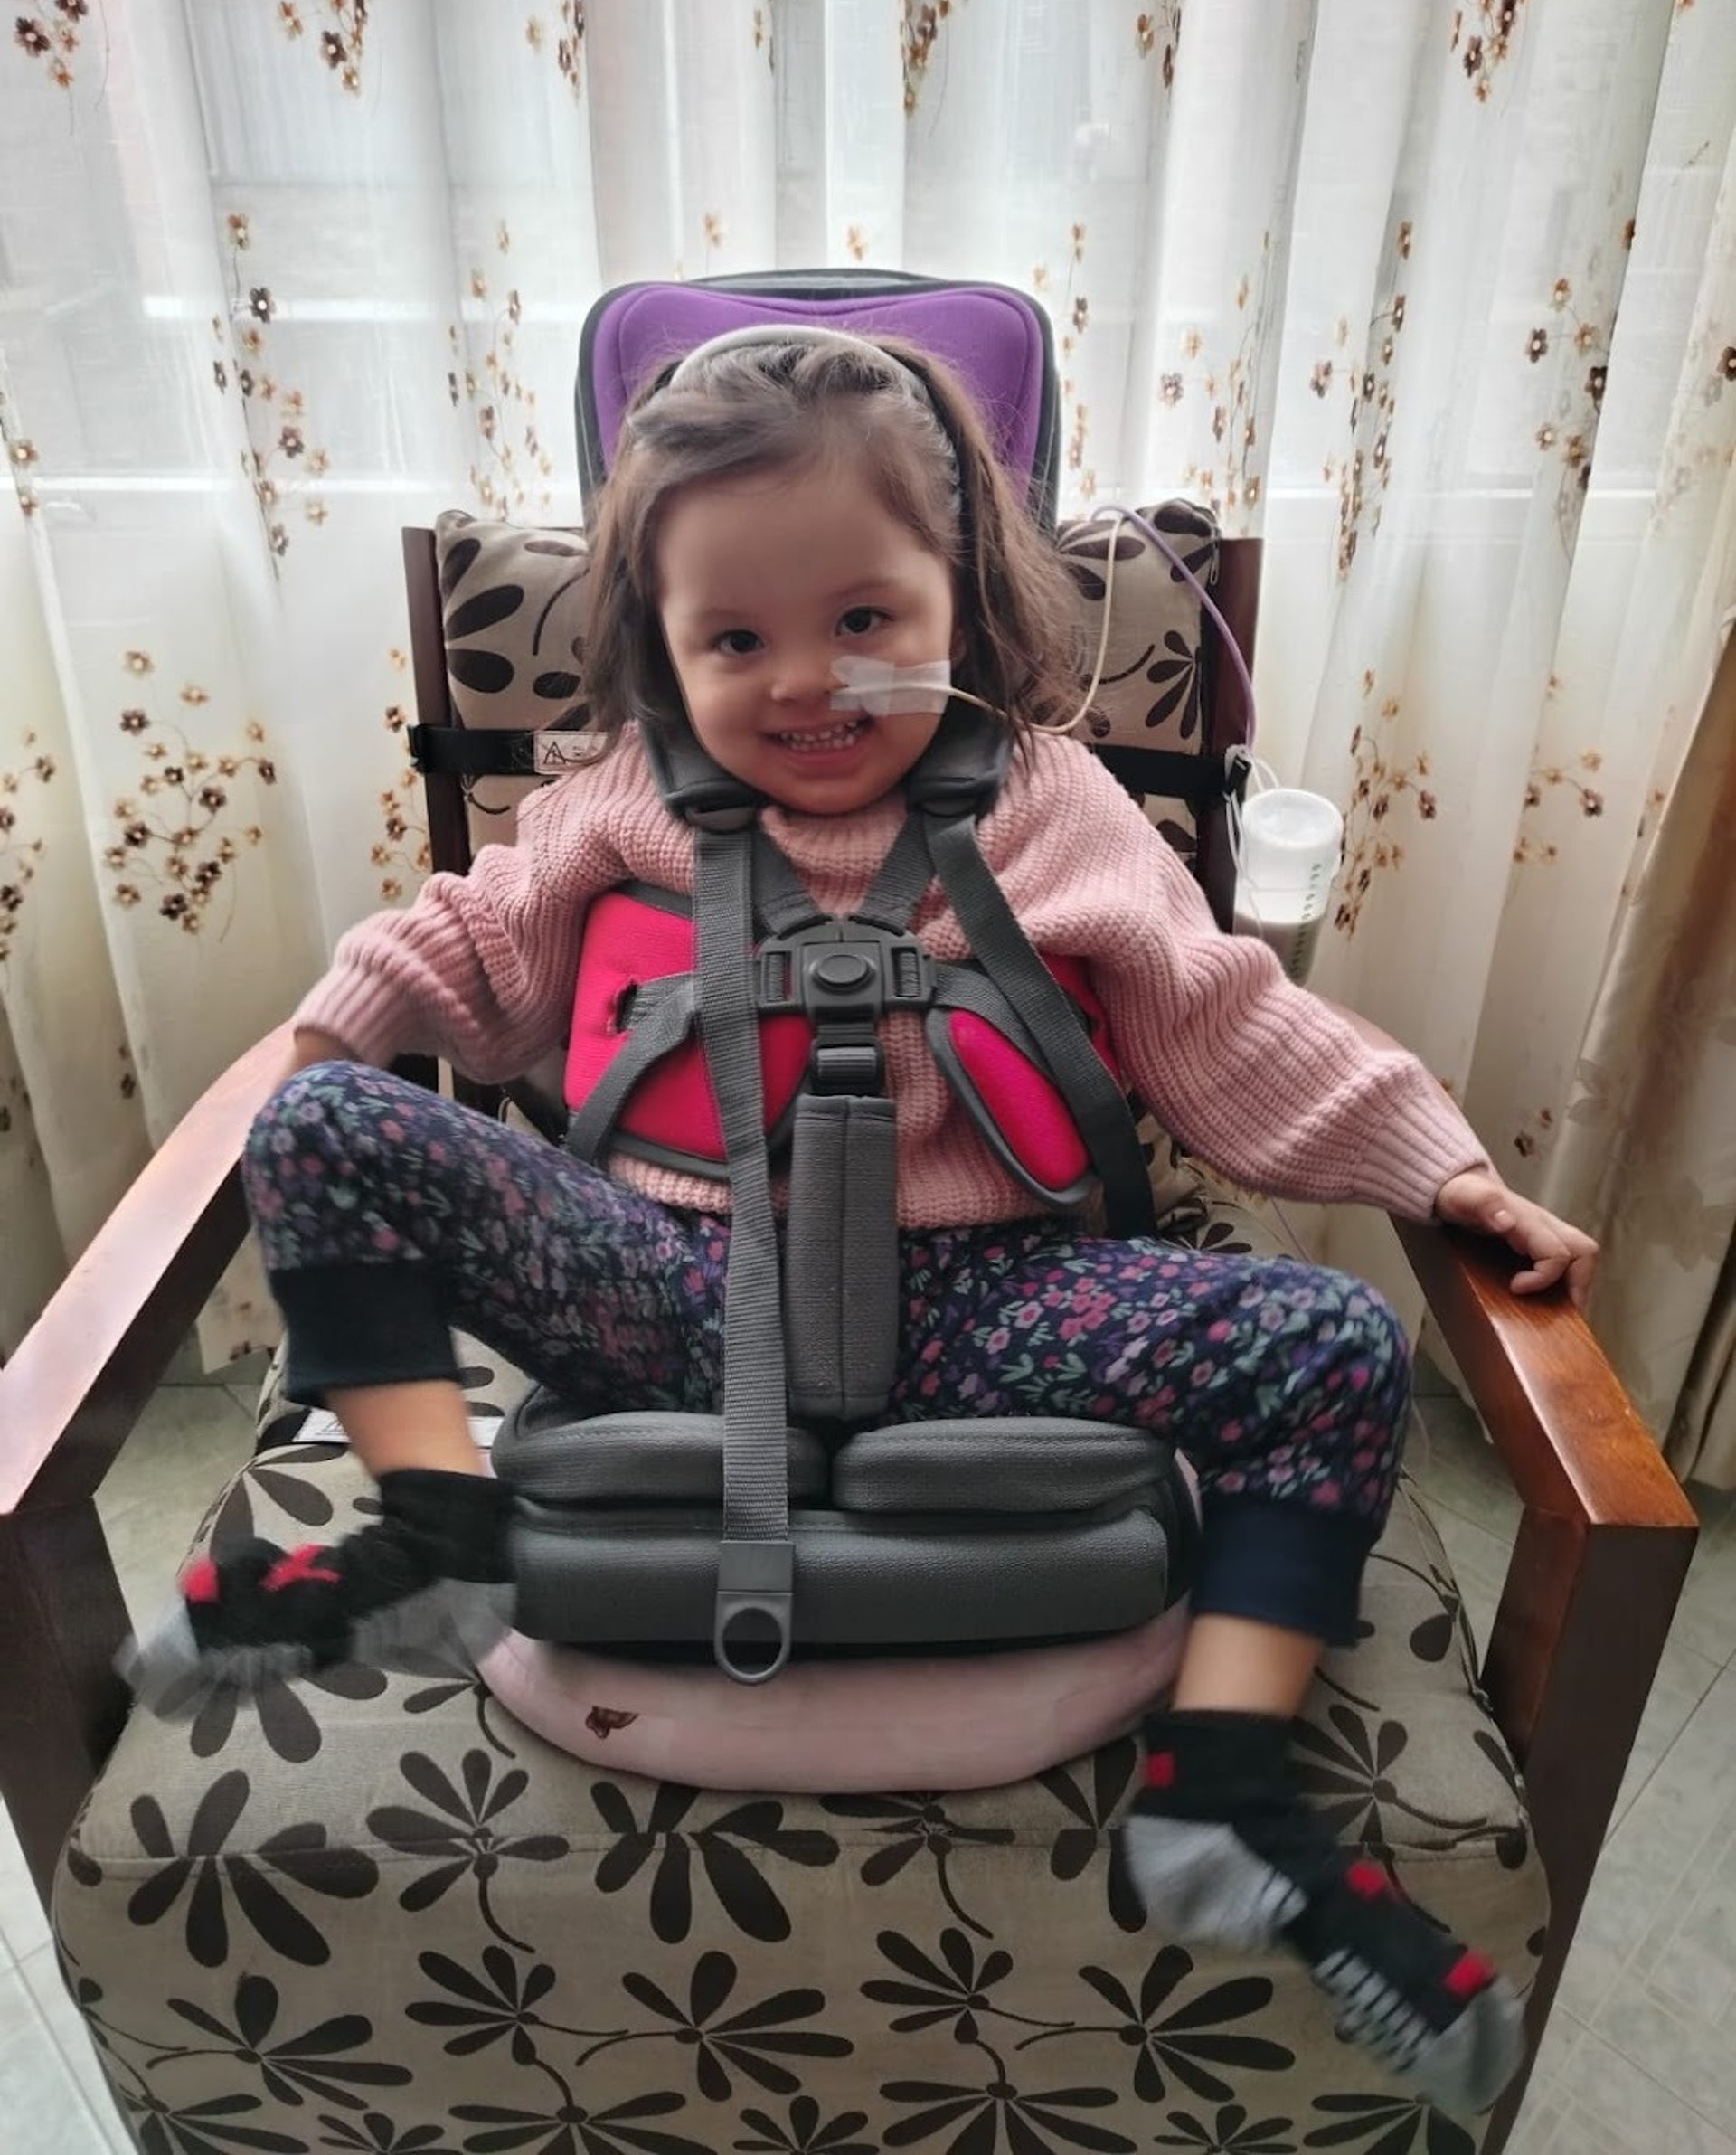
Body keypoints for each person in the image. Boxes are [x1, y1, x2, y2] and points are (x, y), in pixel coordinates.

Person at [132, 330, 1595, 2116]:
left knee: (1337, 1345)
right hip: (668, 1288)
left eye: (866, 624)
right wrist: (328, 1041)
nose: (807, 682)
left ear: (961, 607)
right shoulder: (612, 805)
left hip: (1003, 1303)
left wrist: (1439, 1167)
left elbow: (1227, 1019)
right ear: (665, 657)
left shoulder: (1061, 813)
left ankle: (1225, 1784)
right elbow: (467, 940)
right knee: (327, 1121)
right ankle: (437, 1536)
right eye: (734, 641)